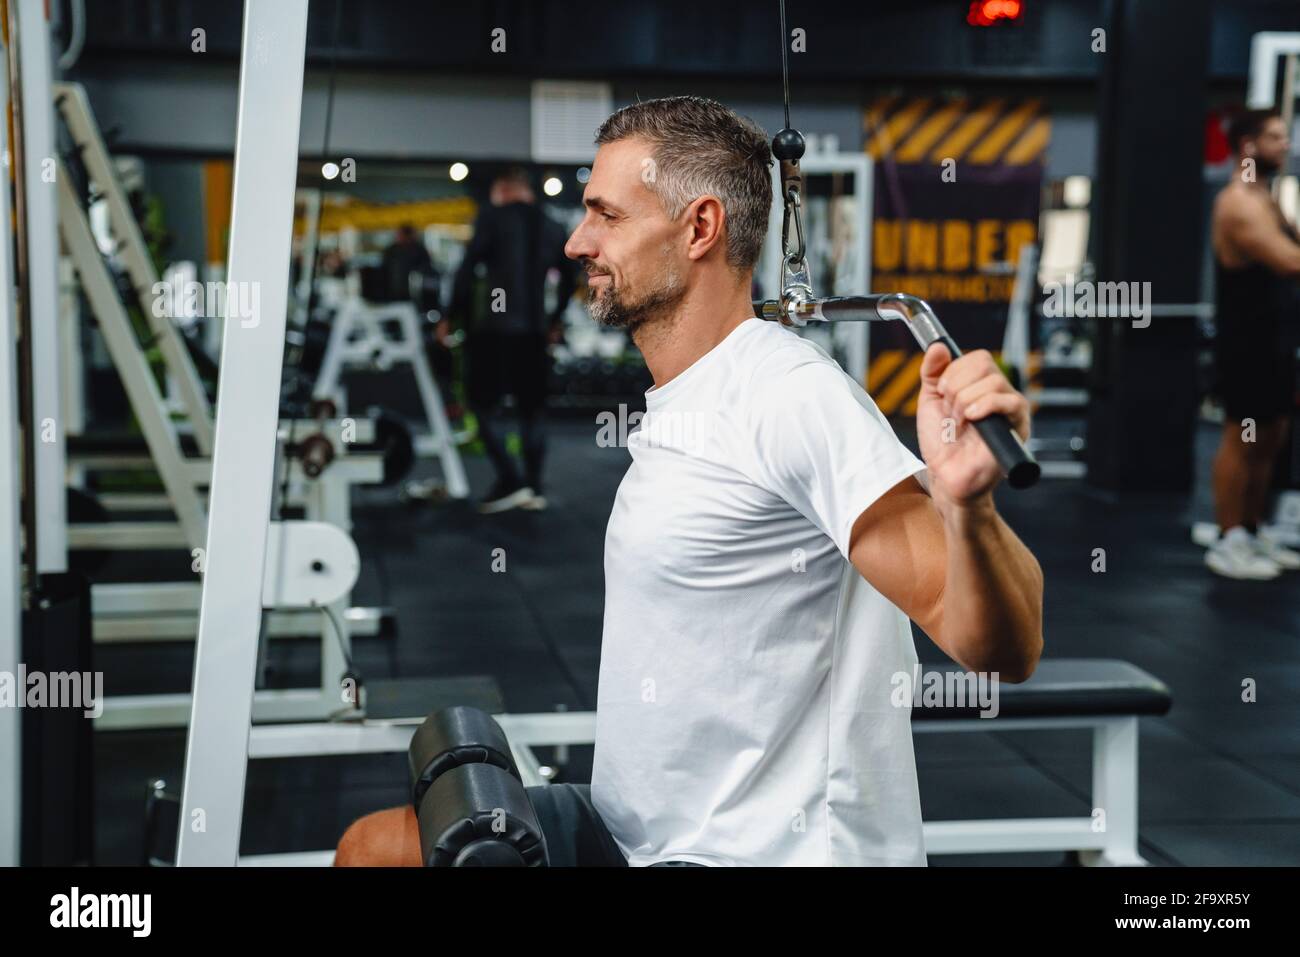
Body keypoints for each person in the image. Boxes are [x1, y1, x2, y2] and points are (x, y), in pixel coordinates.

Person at [335, 97, 1043, 866]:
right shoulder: (691, 392)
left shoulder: (789, 397)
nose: (577, 242)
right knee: (376, 850)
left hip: (748, 854)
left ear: (699, 228)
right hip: (636, 830)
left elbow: (998, 648)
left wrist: (968, 507)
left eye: (606, 216)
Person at [445, 167, 576, 513]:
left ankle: (510, 478)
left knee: (482, 408)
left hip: (492, 331)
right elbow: (569, 275)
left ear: (502, 191)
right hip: (533, 333)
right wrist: (555, 319)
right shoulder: (552, 224)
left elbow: (468, 267)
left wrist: (449, 316)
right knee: (532, 411)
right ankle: (533, 487)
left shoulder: (492, 217)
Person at [1205, 109, 1300, 580]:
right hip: (1247, 343)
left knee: (1271, 437)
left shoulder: (1266, 197)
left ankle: (1253, 526)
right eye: (1276, 137)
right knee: (1241, 439)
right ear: (1248, 146)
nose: (1286, 145)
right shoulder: (1238, 203)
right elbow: (1288, 261)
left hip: (1276, 339)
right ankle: (1228, 539)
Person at [380, 223, 436, 303]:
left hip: (414, 293)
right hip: (393, 293)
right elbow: (384, 269)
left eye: (400, 234)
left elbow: (426, 269)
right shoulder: (392, 249)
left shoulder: (419, 250)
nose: (397, 237)